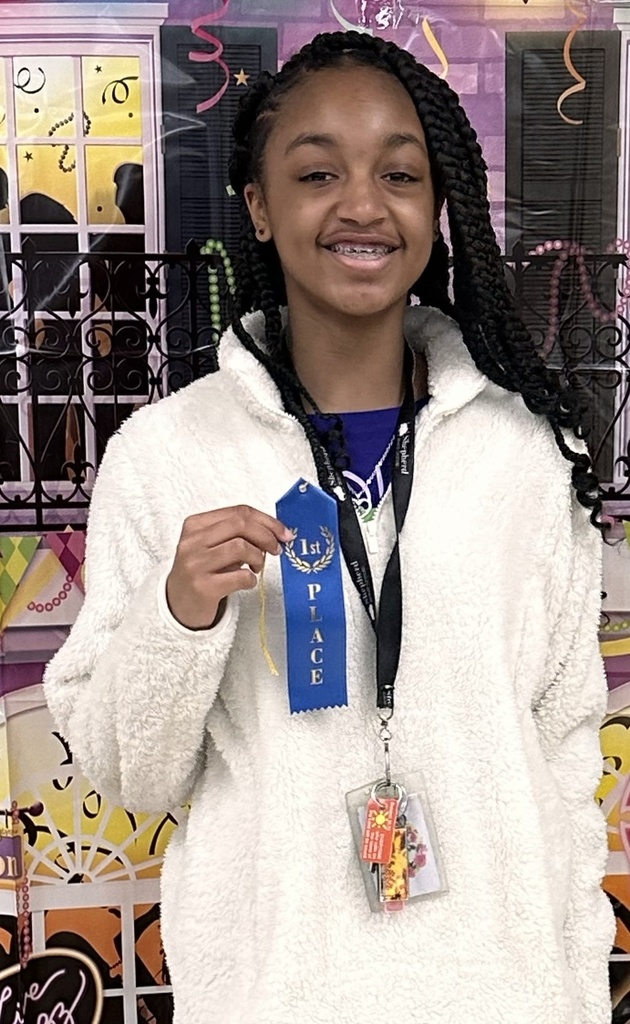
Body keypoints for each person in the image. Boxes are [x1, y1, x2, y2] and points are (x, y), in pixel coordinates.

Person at [44, 30, 614, 1024]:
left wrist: (570, 981)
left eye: (400, 171)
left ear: (438, 208)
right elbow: (128, 774)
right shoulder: (167, 455)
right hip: (281, 995)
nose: (363, 203)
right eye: (318, 172)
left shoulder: (525, 454)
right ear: (259, 207)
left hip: (504, 994)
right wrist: (177, 614)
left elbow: (565, 747)